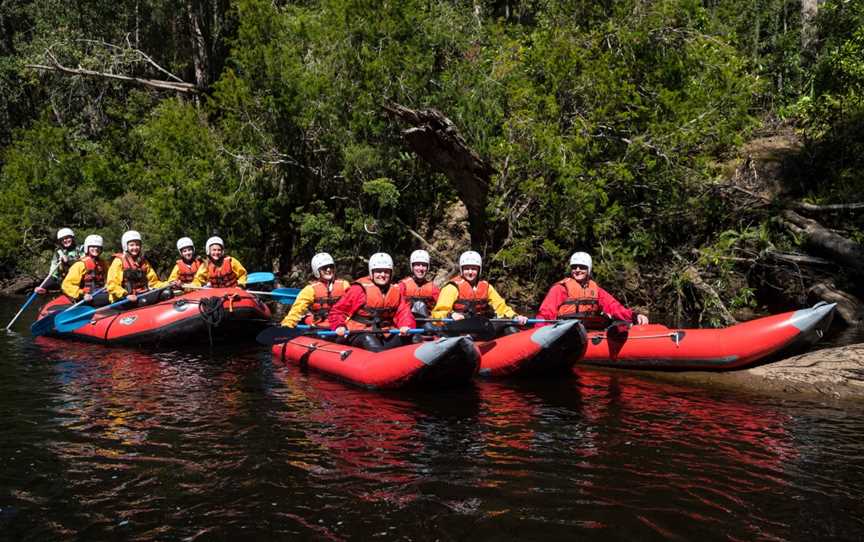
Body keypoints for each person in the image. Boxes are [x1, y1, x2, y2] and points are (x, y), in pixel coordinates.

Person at [535, 251, 649, 329]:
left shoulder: (596, 290)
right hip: (565, 331)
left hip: (589, 329)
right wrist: (539, 336)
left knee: (617, 322)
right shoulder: (560, 289)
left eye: (582, 267)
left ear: (588, 269)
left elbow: (614, 307)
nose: (577, 270)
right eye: (574, 267)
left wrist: (634, 316)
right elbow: (545, 314)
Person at [329, 252, 416, 352]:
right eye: (378, 271)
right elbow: (337, 311)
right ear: (372, 272)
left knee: (414, 337)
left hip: (385, 332)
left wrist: (406, 325)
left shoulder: (396, 291)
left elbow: (404, 313)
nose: (383, 275)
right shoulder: (358, 289)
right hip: (360, 332)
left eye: (386, 272)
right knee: (369, 341)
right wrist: (339, 326)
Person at [431, 250, 529, 335]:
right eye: (466, 268)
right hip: (460, 327)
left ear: (479, 269)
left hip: (481, 327)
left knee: (510, 327)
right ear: (461, 269)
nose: (470, 272)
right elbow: (438, 313)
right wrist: (451, 315)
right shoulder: (451, 288)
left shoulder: (487, 287)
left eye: (473, 268)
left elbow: (501, 308)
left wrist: (515, 316)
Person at [280, 252, 350, 328]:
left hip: (342, 327)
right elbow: (297, 310)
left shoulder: (344, 285)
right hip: (320, 327)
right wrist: (287, 324)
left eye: (331, 266)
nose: (329, 269)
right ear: (317, 271)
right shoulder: (310, 290)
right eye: (324, 267)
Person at [106, 230, 169, 304]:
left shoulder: (143, 261)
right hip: (123, 298)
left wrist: (168, 284)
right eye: (131, 245)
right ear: (126, 246)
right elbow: (112, 284)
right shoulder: (118, 261)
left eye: (137, 245)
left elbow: (153, 282)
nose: (135, 247)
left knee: (167, 293)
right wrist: (125, 295)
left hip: (141, 294)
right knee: (143, 302)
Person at [60, 234, 109, 307]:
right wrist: (82, 294)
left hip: (99, 292)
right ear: (87, 248)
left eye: (98, 247)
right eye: (92, 247)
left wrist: (108, 286)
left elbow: (108, 279)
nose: (95, 249)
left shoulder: (103, 263)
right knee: (111, 297)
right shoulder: (80, 265)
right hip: (86, 297)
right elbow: (66, 285)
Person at [36, 227, 84, 294]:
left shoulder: (82, 249)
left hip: (82, 284)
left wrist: (69, 261)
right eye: (62, 239)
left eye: (67, 238)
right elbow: (53, 274)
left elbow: (85, 264)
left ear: (72, 238)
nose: (65, 240)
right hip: (68, 286)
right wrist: (43, 286)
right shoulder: (58, 254)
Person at [398, 249, 440, 319]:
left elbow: (440, 306)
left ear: (427, 268)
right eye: (417, 265)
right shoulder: (402, 285)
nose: (420, 269)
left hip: (427, 321)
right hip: (407, 322)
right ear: (412, 267)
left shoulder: (433, 288)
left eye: (424, 265)